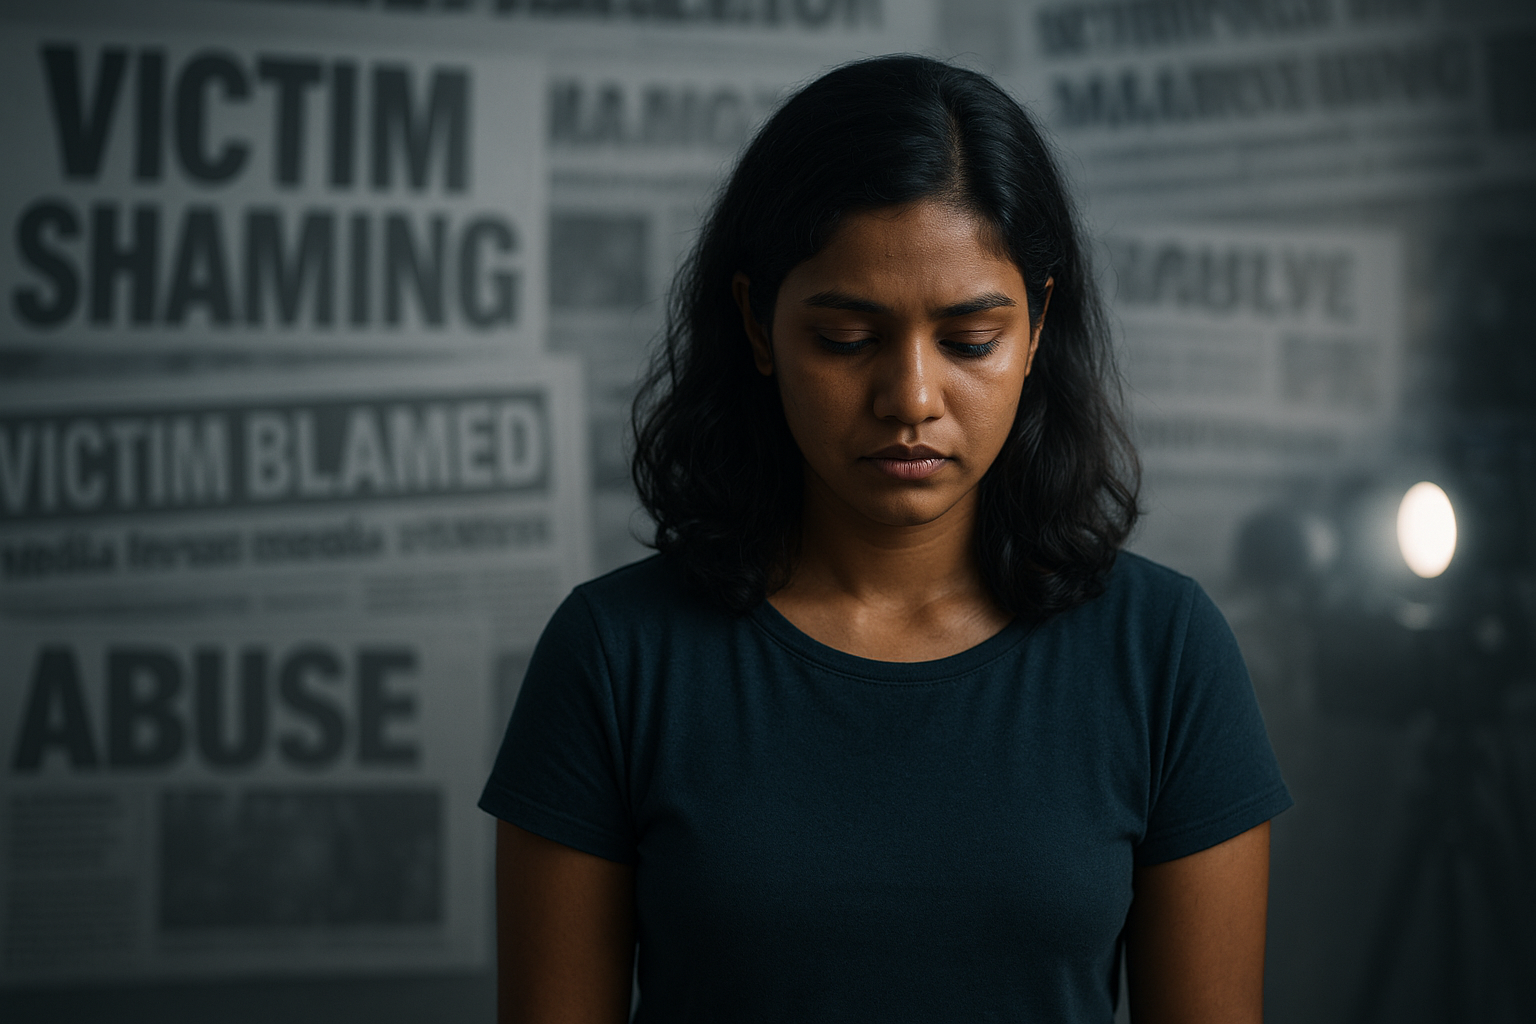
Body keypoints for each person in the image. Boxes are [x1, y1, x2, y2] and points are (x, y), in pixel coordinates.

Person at [481, 55, 1291, 1023]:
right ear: (756, 323)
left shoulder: (1165, 654)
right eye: (847, 338)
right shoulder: (614, 657)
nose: (911, 398)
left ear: (1036, 324)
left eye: (969, 339)